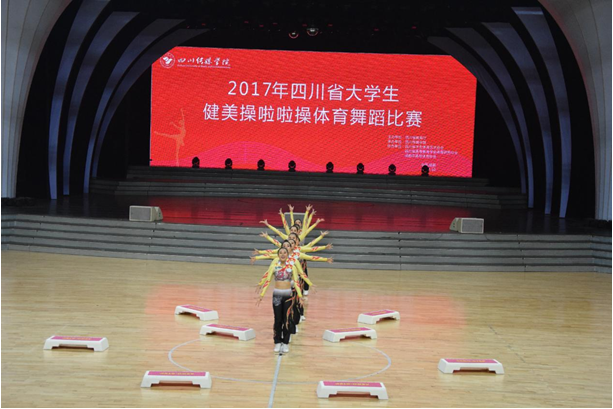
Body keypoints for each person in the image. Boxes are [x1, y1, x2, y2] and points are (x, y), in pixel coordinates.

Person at [256, 247, 306, 354]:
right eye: (281, 253)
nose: (283, 254)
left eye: (285, 253)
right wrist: (262, 294)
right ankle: (277, 342)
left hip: (288, 296)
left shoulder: (292, 267)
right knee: (277, 319)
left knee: (287, 319)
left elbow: (296, 282)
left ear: (288, 255)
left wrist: (300, 296)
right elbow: (268, 281)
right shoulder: (274, 267)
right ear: (278, 255)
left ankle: (285, 342)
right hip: (277, 296)